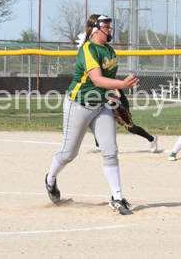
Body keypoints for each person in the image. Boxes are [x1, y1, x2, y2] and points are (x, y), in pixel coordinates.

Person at [45, 14, 139, 215]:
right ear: (96, 29)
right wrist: (121, 84)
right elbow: (96, 80)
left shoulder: (109, 50)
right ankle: (50, 179)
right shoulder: (88, 49)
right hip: (78, 105)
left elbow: (107, 81)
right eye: (107, 26)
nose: (111, 30)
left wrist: (116, 94)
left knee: (110, 150)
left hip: (101, 106)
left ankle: (117, 198)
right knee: (69, 153)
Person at [86, 88, 158, 154]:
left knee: (131, 128)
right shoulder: (94, 79)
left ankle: (152, 139)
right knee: (98, 121)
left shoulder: (107, 78)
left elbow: (117, 95)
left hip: (119, 104)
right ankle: (98, 146)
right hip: (107, 104)